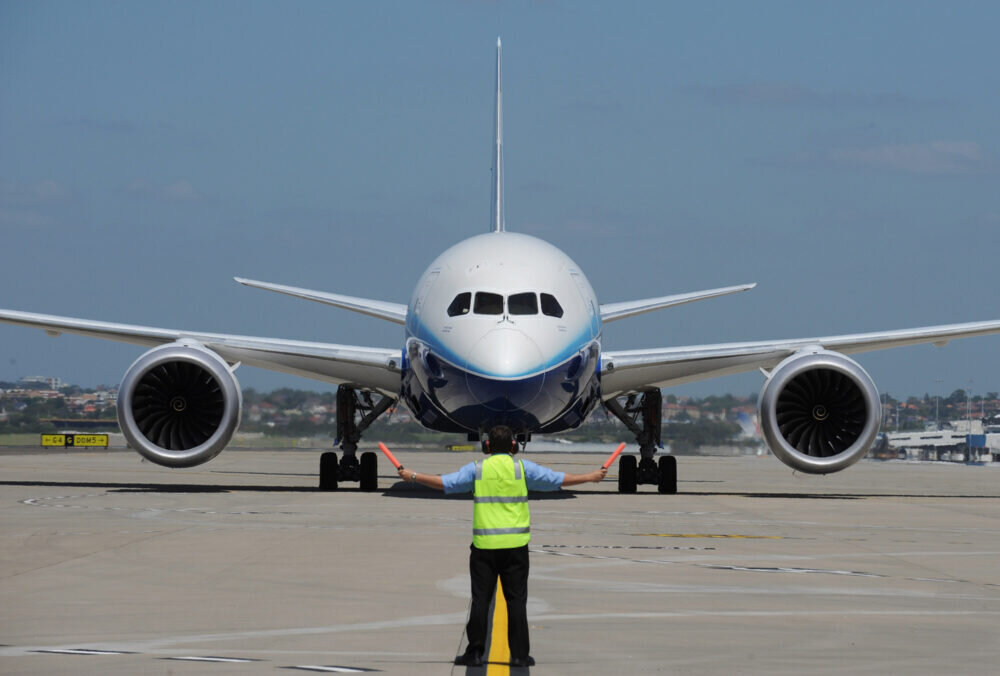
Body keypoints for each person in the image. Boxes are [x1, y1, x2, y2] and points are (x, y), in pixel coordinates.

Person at [396, 424, 606, 668]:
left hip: (484, 547)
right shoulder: (522, 468)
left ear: (486, 446)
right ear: (514, 447)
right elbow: (557, 480)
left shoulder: (477, 469)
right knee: (516, 601)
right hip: (515, 547)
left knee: (481, 601)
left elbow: (445, 484)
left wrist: (412, 476)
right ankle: (518, 655)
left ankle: (474, 653)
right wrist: (590, 477)